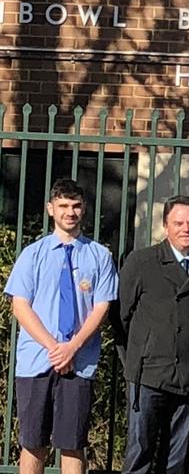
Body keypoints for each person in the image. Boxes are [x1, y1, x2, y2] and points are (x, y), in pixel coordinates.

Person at [4, 178, 118, 474]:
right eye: (64, 206)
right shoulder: (33, 254)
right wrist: (54, 348)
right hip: (36, 361)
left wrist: (72, 348)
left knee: (73, 442)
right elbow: (20, 305)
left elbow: (102, 307)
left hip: (79, 363)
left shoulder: (100, 256)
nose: (70, 212)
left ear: (84, 209)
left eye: (76, 205)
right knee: (33, 442)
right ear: (50, 209)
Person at [119, 195, 189, 474]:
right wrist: (140, 354)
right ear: (165, 226)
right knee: (140, 453)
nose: (186, 229)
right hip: (149, 373)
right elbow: (121, 317)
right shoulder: (142, 262)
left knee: (176, 460)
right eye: (178, 223)